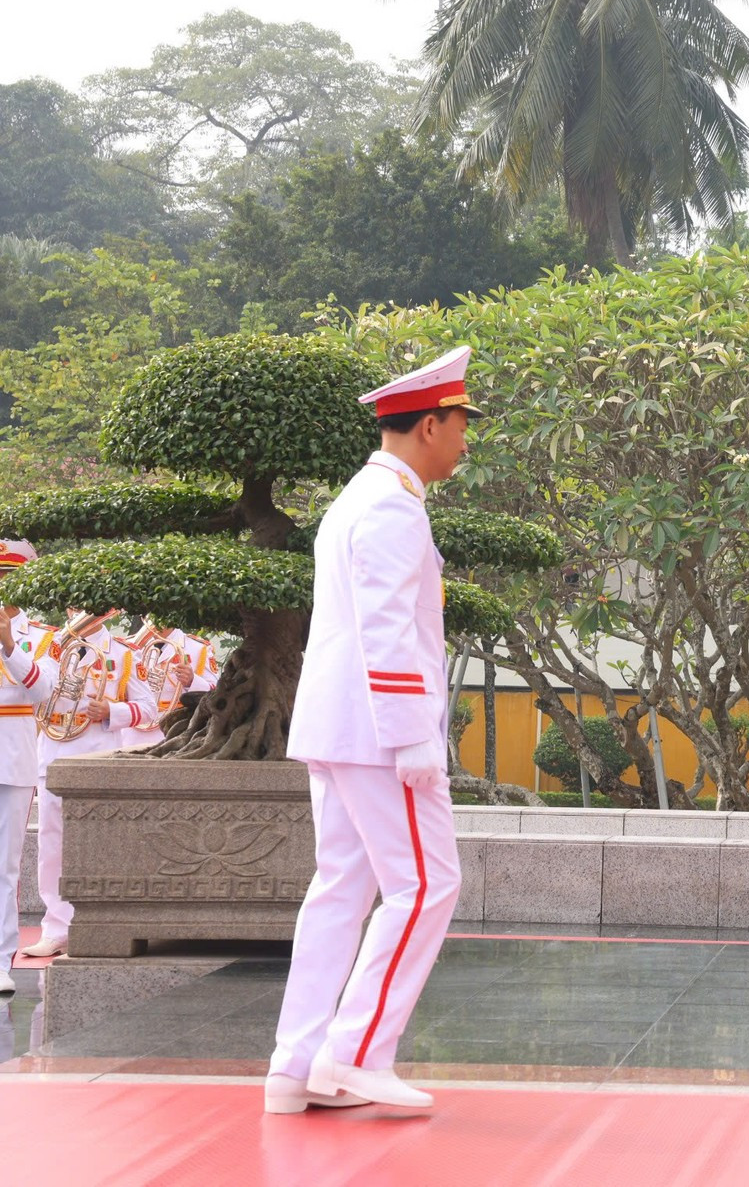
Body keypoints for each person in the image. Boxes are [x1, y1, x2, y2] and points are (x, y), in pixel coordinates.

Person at [264, 346, 476, 1115]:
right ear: (429, 425)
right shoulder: (392, 504)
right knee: (426, 886)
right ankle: (356, 1054)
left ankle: (298, 1067)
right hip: (379, 733)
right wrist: (413, 735)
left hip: (340, 728)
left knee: (342, 891)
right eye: (460, 423)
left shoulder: (359, 496)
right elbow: (388, 628)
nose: (464, 439)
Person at [22, 609, 157, 959]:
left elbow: (149, 708)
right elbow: (32, 687)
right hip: (53, 747)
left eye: (92, 608)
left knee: (101, 838)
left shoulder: (123, 653)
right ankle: (55, 927)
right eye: (76, 608)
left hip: (98, 751)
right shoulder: (51, 645)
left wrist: (113, 711)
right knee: (52, 840)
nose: (82, 614)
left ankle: (104, 921)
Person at [0, 541, 57, 992]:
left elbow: (41, 693)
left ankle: (0, 959)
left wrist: (7, 644)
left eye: (7, 574)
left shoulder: (42, 635)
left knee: (5, 865)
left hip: (14, 748)